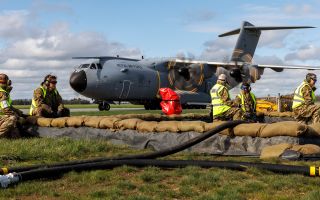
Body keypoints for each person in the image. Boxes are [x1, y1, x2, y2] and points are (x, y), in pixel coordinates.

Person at [0, 74, 25, 138]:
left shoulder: (4, 92)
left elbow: (9, 106)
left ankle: (15, 137)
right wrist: (18, 117)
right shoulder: (1, 93)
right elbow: (6, 110)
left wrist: (19, 112)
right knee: (12, 118)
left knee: (14, 118)